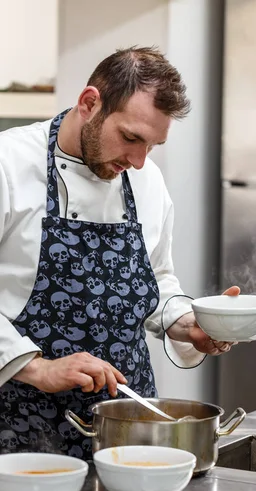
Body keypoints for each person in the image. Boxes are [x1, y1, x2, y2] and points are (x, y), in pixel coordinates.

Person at [0, 46, 239, 459]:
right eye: (130, 138)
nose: (139, 160)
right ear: (89, 103)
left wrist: (189, 323)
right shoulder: (8, 163)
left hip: (127, 423)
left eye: (153, 145)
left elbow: (156, 279)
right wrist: (38, 368)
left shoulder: (145, 181)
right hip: (18, 421)